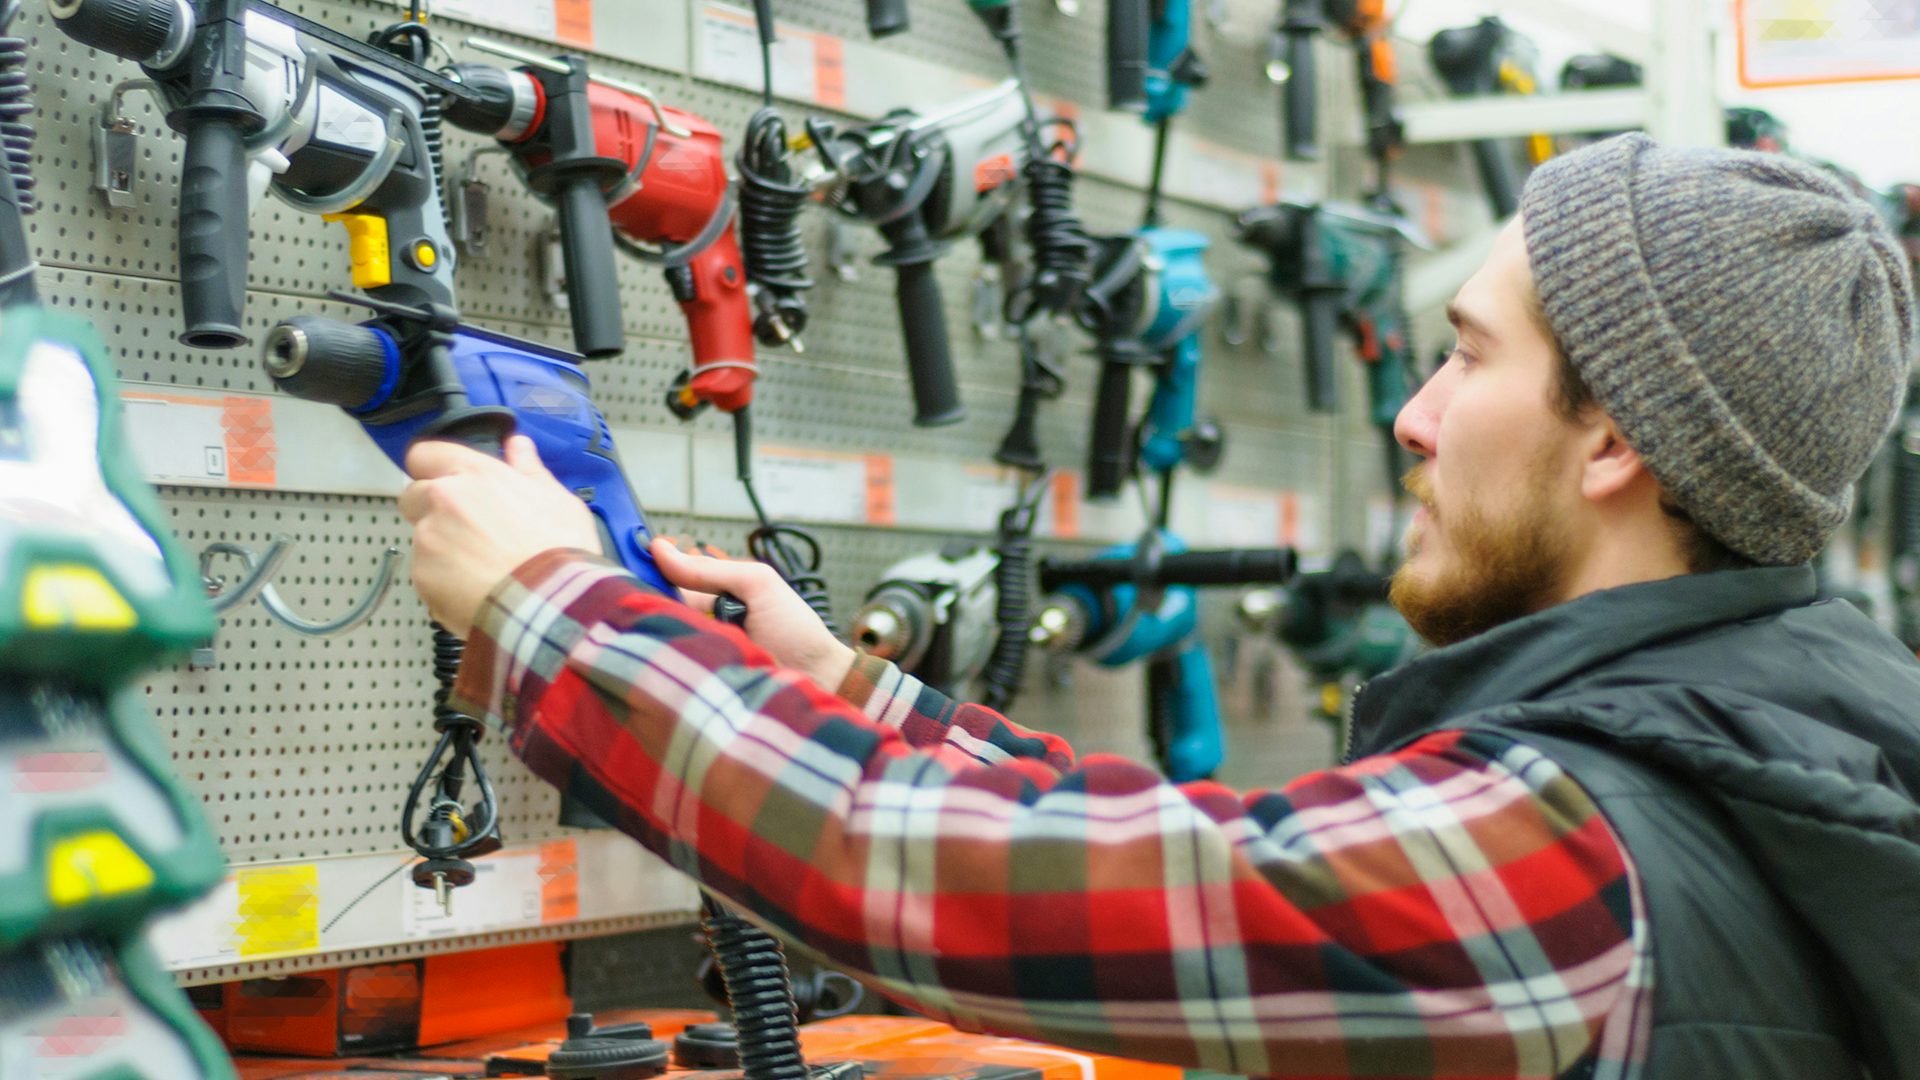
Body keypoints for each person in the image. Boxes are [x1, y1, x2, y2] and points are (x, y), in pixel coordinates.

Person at [397, 133, 1920, 1079]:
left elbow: (943, 886)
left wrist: (556, 609)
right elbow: (1213, 858)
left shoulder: (1575, 861)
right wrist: (848, 692)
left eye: (1466, 355)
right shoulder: (1775, 738)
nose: (1415, 415)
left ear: (1616, 442)